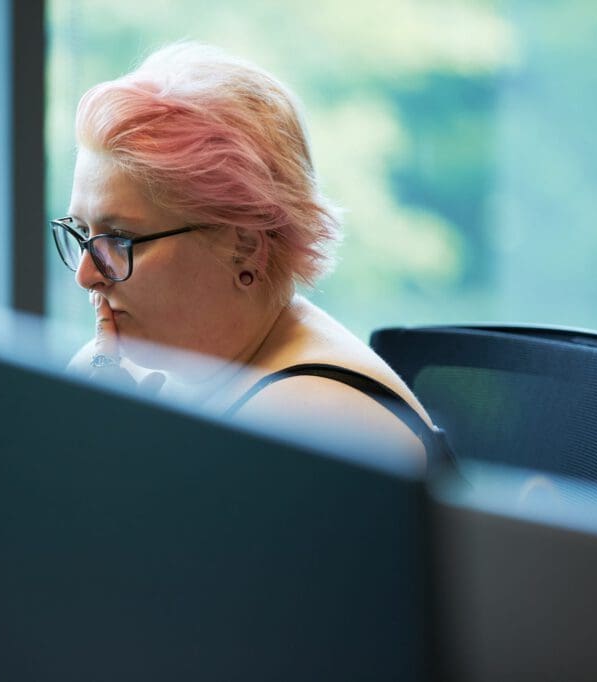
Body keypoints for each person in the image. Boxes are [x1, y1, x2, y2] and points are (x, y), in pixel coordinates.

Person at [53, 42, 443, 466]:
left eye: (120, 239)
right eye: (81, 232)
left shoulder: (312, 421)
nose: (86, 274)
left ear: (245, 249)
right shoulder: (127, 369)